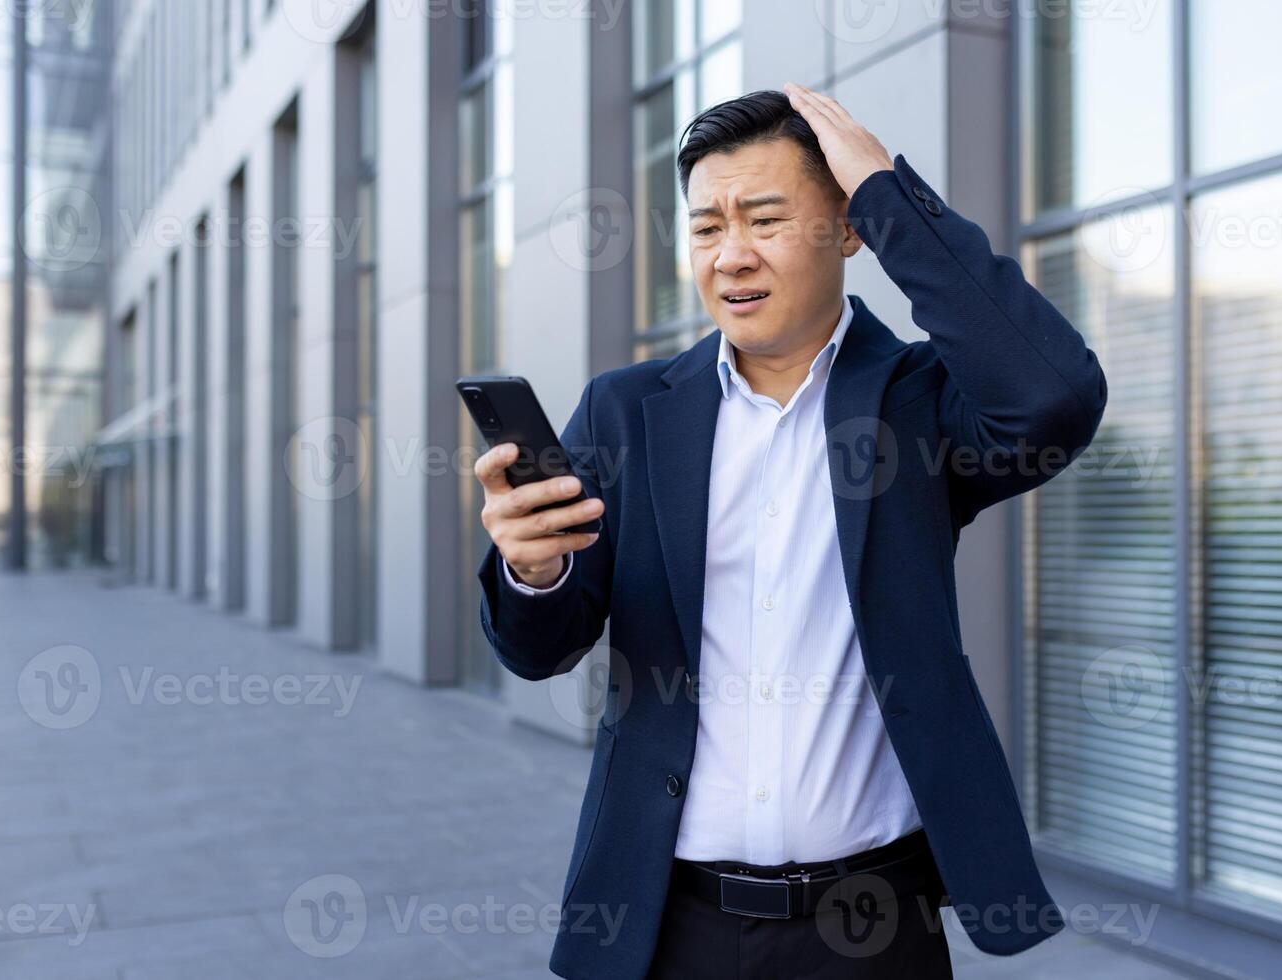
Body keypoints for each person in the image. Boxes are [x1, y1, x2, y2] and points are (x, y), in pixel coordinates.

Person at [471, 82, 1108, 979]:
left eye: (764, 220)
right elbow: (541, 650)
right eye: (705, 227)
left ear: (850, 229)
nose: (730, 256)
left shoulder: (918, 405)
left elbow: (1054, 397)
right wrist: (532, 573)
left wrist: (888, 195)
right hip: (668, 922)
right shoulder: (625, 413)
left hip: (873, 927)